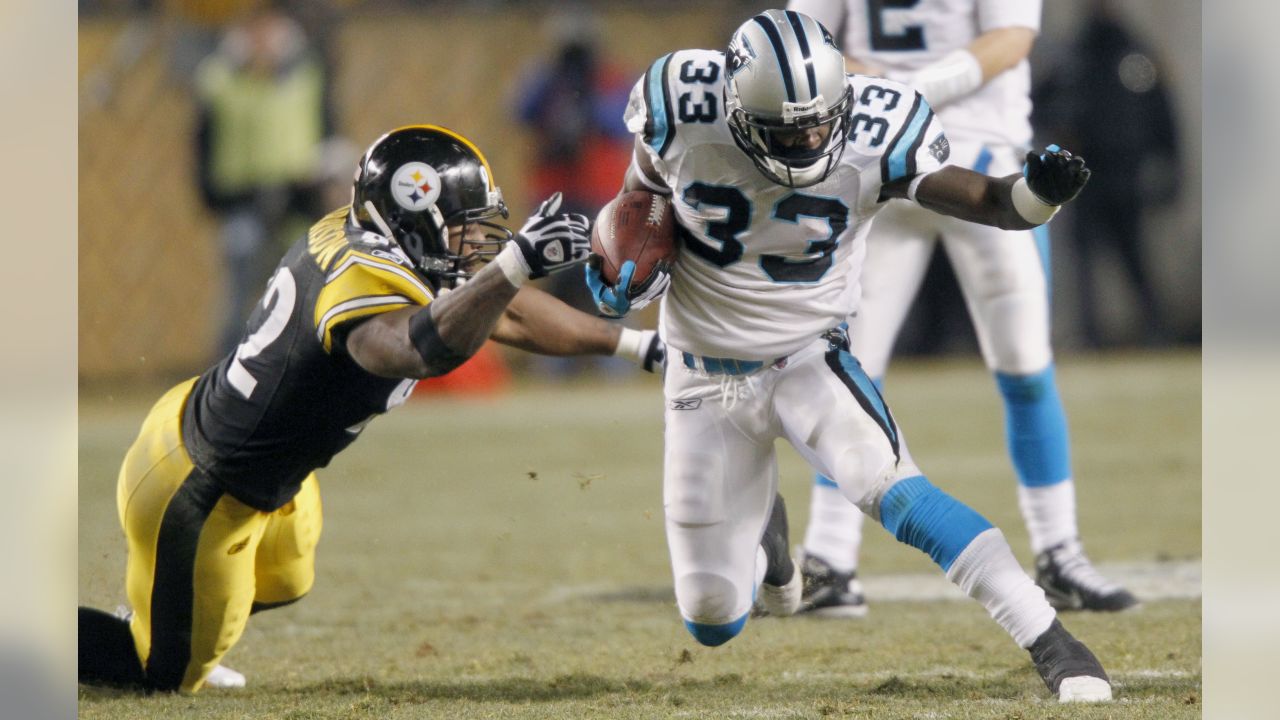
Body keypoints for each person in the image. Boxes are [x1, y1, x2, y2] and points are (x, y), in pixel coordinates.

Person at [587, 10, 1111, 702]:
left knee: (897, 491)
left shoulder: (880, 124)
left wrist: (1039, 194)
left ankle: (1054, 642)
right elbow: (640, 194)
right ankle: (772, 543)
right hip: (701, 377)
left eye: (818, 121)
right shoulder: (682, 104)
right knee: (713, 618)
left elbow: (992, 202)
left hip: (810, 356)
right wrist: (616, 256)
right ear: (737, 110)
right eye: (787, 128)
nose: (807, 139)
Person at [78, 125, 664, 694]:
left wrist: (642, 346)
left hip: (236, 451)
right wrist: (512, 266)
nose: (475, 244)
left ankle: (171, 607)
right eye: (461, 228)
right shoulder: (363, 276)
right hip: (201, 489)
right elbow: (410, 350)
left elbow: (501, 311)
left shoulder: (374, 237)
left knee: (284, 578)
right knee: (163, 675)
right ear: (414, 219)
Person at [782, 0, 1138, 618]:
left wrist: (904, 90)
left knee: (1025, 365)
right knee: (847, 373)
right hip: (877, 167)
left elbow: (1011, 38)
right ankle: (831, 559)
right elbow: (803, 47)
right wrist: (885, 95)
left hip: (982, 167)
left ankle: (1059, 551)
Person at [1032, 0, 1181, 348]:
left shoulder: (1133, 56)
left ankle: (1155, 329)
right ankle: (1092, 334)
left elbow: (1161, 115)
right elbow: (1041, 106)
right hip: (1086, 175)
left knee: (1132, 257)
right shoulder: (1076, 58)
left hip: (1124, 173)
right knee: (1085, 262)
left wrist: (1168, 166)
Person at [194, 6, 335, 360]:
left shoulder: (306, 77)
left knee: (304, 283)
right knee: (241, 288)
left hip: (295, 200)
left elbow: (324, 134)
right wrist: (213, 195)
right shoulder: (219, 81)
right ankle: (228, 367)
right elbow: (204, 144)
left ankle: (305, 363)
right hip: (241, 199)